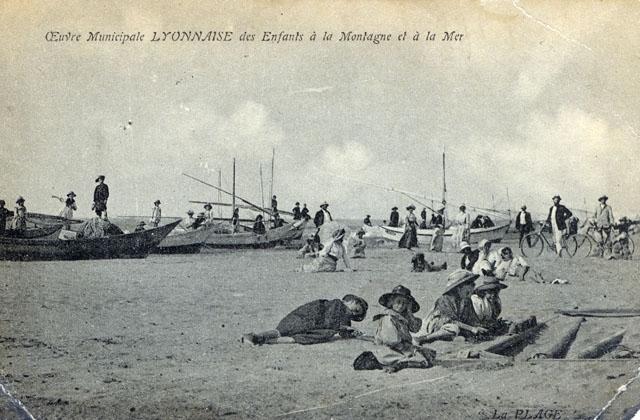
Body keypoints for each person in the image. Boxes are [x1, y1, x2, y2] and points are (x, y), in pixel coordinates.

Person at [353, 286, 435, 373]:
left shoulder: (402, 317)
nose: (401, 305)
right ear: (391, 302)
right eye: (398, 302)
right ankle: (401, 364)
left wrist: (409, 312)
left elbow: (415, 329)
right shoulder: (388, 317)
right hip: (389, 349)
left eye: (404, 303)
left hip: (399, 347)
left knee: (426, 355)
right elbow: (392, 340)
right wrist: (409, 348)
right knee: (420, 359)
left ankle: (404, 361)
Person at [242, 294, 368, 345]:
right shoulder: (336, 304)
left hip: (315, 327)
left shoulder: (345, 318)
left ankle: (264, 340)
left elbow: (340, 330)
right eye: (355, 309)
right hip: (306, 317)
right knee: (288, 329)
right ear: (349, 301)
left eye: (355, 315)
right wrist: (343, 328)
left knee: (323, 335)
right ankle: (256, 336)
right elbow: (330, 318)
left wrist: (351, 332)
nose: (352, 313)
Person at [415, 270, 487, 344]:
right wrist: (471, 329)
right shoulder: (444, 299)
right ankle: (425, 338)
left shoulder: (466, 300)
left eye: (473, 284)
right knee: (453, 329)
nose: (473, 288)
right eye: (470, 284)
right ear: (459, 288)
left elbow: (472, 319)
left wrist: (478, 327)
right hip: (437, 326)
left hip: (458, 327)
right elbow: (450, 320)